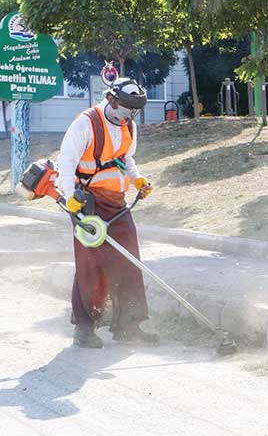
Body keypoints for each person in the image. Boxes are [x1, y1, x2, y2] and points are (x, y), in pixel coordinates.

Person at [55, 77, 158, 348]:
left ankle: (129, 326)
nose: (129, 116)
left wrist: (137, 179)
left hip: (117, 202)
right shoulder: (86, 123)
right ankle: (85, 329)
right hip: (86, 202)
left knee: (129, 261)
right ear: (111, 99)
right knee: (91, 265)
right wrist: (70, 199)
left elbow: (125, 158)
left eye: (134, 112)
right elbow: (65, 163)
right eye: (126, 109)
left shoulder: (129, 126)